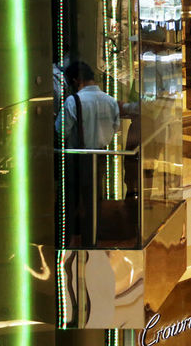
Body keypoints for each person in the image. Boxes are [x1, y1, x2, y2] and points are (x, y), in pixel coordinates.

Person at [55, 61, 120, 246]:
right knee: (94, 201)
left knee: (70, 200)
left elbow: (62, 130)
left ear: (76, 81)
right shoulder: (110, 100)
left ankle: (66, 240)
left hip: (77, 158)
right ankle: (91, 239)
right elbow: (116, 128)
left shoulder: (73, 101)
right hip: (100, 157)